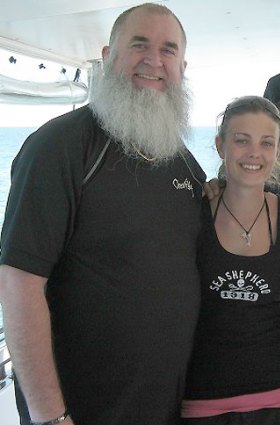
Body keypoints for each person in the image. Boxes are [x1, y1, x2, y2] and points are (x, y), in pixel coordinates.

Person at [0, 3, 207, 425]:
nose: (154, 60)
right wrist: (49, 416)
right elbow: (19, 283)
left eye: (168, 50)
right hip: (81, 411)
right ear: (108, 54)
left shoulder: (185, 163)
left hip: (166, 408)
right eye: (139, 45)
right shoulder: (59, 148)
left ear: (182, 66)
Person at [181, 95, 280, 424]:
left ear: (278, 150)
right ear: (220, 145)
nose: (255, 153)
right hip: (202, 404)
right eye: (242, 140)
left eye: (266, 143)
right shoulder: (190, 214)